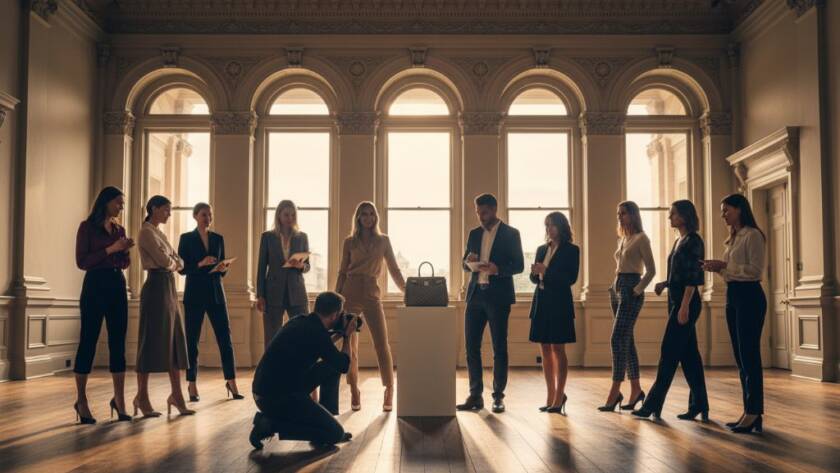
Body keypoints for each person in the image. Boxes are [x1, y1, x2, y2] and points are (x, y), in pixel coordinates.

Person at [632, 200, 709, 421]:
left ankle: (652, 404)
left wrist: (684, 307)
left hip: (686, 304)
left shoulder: (694, 241)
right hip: (675, 301)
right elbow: (681, 274)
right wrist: (664, 283)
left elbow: (694, 278)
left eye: (673, 214)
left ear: (684, 216)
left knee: (668, 353)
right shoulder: (679, 241)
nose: (670, 218)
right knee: (689, 357)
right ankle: (700, 405)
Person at [249, 291, 355, 450]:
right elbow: (344, 365)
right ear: (334, 315)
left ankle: (326, 417)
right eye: (340, 314)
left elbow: (324, 350)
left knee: (330, 366)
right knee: (334, 434)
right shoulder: (317, 333)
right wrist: (347, 336)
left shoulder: (300, 321)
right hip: (276, 399)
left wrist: (338, 335)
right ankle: (271, 424)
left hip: (263, 391)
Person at [702, 193, 767, 434]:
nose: (723, 215)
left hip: (750, 297)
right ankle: (749, 411)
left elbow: (755, 271)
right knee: (741, 358)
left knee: (749, 356)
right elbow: (733, 273)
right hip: (734, 296)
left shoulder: (753, 235)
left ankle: (754, 412)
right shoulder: (732, 239)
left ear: (740, 209)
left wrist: (724, 266)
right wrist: (718, 269)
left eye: (726, 210)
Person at [457, 193, 524, 414]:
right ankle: (475, 395)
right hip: (475, 295)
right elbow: (465, 264)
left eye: (484, 212)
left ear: (494, 209)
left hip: (498, 297)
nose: (480, 217)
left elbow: (519, 265)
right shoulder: (474, 234)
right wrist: (469, 263)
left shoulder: (511, 234)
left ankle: (498, 397)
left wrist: (499, 270)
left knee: (499, 347)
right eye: (478, 212)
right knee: (471, 347)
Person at [335, 201, 406, 412]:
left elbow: (394, 269)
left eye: (371, 214)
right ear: (358, 218)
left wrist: (408, 291)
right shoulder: (349, 242)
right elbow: (342, 271)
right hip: (350, 291)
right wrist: (336, 298)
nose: (368, 218)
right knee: (350, 344)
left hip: (372, 292)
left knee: (381, 343)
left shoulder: (384, 241)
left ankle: (389, 388)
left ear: (376, 217)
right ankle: (354, 389)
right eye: (364, 214)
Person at [72, 186, 133, 424]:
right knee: (88, 340)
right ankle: (81, 400)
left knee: (119, 342)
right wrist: (112, 249)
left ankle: (119, 400)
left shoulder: (120, 229)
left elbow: (124, 262)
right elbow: (82, 261)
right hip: (95, 286)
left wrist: (124, 251)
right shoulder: (86, 227)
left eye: (122, 202)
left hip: (117, 284)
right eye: (118, 202)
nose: (121, 206)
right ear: (106, 202)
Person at [134, 195, 194, 418]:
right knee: (150, 342)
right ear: (154, 208)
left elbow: (181, 262)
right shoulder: (146, 232)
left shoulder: (160, 233)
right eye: (167, 210)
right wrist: (173, 262)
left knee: (175, 342)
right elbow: (165, 261)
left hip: (168, 288)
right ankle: (141, 396)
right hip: (156, 288)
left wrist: (173, 262)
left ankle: (176, 396)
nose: (169, 213)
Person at [178, 202, 242, 402]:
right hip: (194, 295)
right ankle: (191, 384)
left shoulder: (218, 238)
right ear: (195, 216)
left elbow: (222, 267)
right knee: (192, 341)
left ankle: (231, 382)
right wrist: (200, 263)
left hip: (216, 293)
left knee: (226, 340)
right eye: (204, 214)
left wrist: (223, 268)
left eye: (210, 215)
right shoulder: (186, 239)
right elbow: (181, 268)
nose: (208, 218)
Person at [599, 201, 655, 412]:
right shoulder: (624, 238)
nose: (620, 217)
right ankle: (636, 390)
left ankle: (615, 391)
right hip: (617, 288)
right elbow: (620, 267)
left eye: (623, 213)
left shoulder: (642, 238)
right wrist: (614, 288)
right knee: (627, 341)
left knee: (616, 339)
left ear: (633, 215)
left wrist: (637, 290)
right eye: (618, 213)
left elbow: (651, 270)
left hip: (631, 288)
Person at [528, 212, 579, 415]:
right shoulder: (542, 249)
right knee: (545, 348)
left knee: (558, 348)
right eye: (546, 226)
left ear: (562, 227)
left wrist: (546, 271)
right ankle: (550, 396)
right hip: (541, 302)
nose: (548, 229)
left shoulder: (572, 250)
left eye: (552, 225)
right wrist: (535, 273)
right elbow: (535, 280)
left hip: (560, 303)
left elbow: (571, 278)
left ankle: (560, 395)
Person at [256, 200, 310, 348]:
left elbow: (307, 267)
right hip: (273, 293)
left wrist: (300, 266)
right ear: (279, 215)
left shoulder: (302, 237)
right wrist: (260, 295)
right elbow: (261, 268)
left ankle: (302, 368)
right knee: (272, 337)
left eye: (293, 215)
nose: (290, 218)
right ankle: (271, 370)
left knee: (303, 333)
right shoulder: (267, 237)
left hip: (297, 292)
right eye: (286, 215)